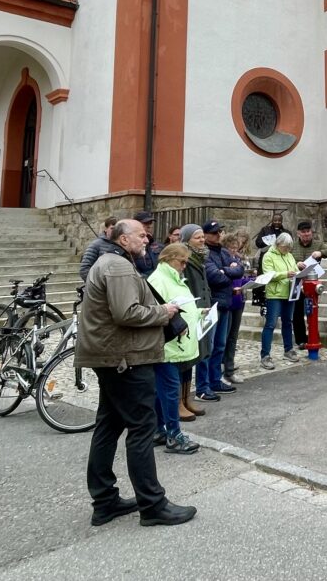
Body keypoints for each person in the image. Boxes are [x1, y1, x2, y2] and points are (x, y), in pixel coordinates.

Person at [75, 218, 195, 527]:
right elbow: (126, 312)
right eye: (141, 235)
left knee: (109, 425)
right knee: (142, 428)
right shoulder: (117, 267)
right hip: (126, 359)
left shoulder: (110, 263)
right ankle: (153, 505)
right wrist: (164, 311)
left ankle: (104, 500)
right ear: (123, 240)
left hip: (113, 356)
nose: (147, 239)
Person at [147, 243, 202, 455]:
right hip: (167, 344)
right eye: (182, 262)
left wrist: (198, 313)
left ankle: (159, 430)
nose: (184, 266)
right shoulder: (159, 279)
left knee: (164, 390)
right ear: (169, 258)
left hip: (175, 343)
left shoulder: (171, 277)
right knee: (169, 390)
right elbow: (155, 310)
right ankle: (173, 435)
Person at [197, 220, 238, 400]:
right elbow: (214, 277)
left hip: (225, 303)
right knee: (208, 347)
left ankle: (215, 380)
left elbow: (240, 269)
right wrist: (229, 271)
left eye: (219, 232)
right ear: (205, 235)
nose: (218, 235)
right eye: (214, 233)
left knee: (220, 346)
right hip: (212, 304)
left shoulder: (223, 252)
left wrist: (225, 271)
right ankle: (203, 386)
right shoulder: (204, 253)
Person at [176, 224, 212, 419]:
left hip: (199, 310)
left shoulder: (199, 256)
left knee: (194, 356)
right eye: (197, 237)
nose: (202, 240)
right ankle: (179, 401)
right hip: (190, 310)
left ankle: (187, 397)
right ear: (187, 239)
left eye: (202, 237)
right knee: (185, 358)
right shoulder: (185, 258)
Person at [260, 231, 300, 369]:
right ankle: (265, 355)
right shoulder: (268, 256)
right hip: (275, 295)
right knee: (270, 324)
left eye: (289, 248)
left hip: (289, 293)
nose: (287, 250)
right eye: (285, 247)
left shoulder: (289, 256)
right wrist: (285, 274)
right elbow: (269, 275)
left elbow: (295, 270)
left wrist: (299, 274)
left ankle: (288, 350)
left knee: (288, 322)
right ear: (278, 244)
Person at [220, 229, 252, 385]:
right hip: (227, 301)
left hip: (239, 301)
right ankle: (219, 372)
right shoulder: (222, 261)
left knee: (233, 337)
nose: (234, 250)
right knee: (223, 338)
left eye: (235, 247)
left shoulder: (238, 261)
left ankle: (229, 370)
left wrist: (252, 281)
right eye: (231, 248)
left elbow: (240, 278)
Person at [292, 221, 322, 348]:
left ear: (311, 232)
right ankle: (301, 340)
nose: (306, 234)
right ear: (298, 234)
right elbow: (286, 258)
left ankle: (314, 337)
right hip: (297, 283)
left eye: (308, 231)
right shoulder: (293, 246)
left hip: (312, 283)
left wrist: (321, 253)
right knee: (297, 313)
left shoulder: (317, 244)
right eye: (303, 232)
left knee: (313, 311)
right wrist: (296, 264)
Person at [78, 216, 119, 282]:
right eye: (112, 228)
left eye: (117, 229)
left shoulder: (122, 245)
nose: (115, 231)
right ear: (106, 229)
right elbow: (84, 270)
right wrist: (98, 285)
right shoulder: (96, 245)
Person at [132, 210, 162, 277]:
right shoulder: (132, 245)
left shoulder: (157, 245)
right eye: (145, 223)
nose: (149, 226)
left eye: (150, 223)